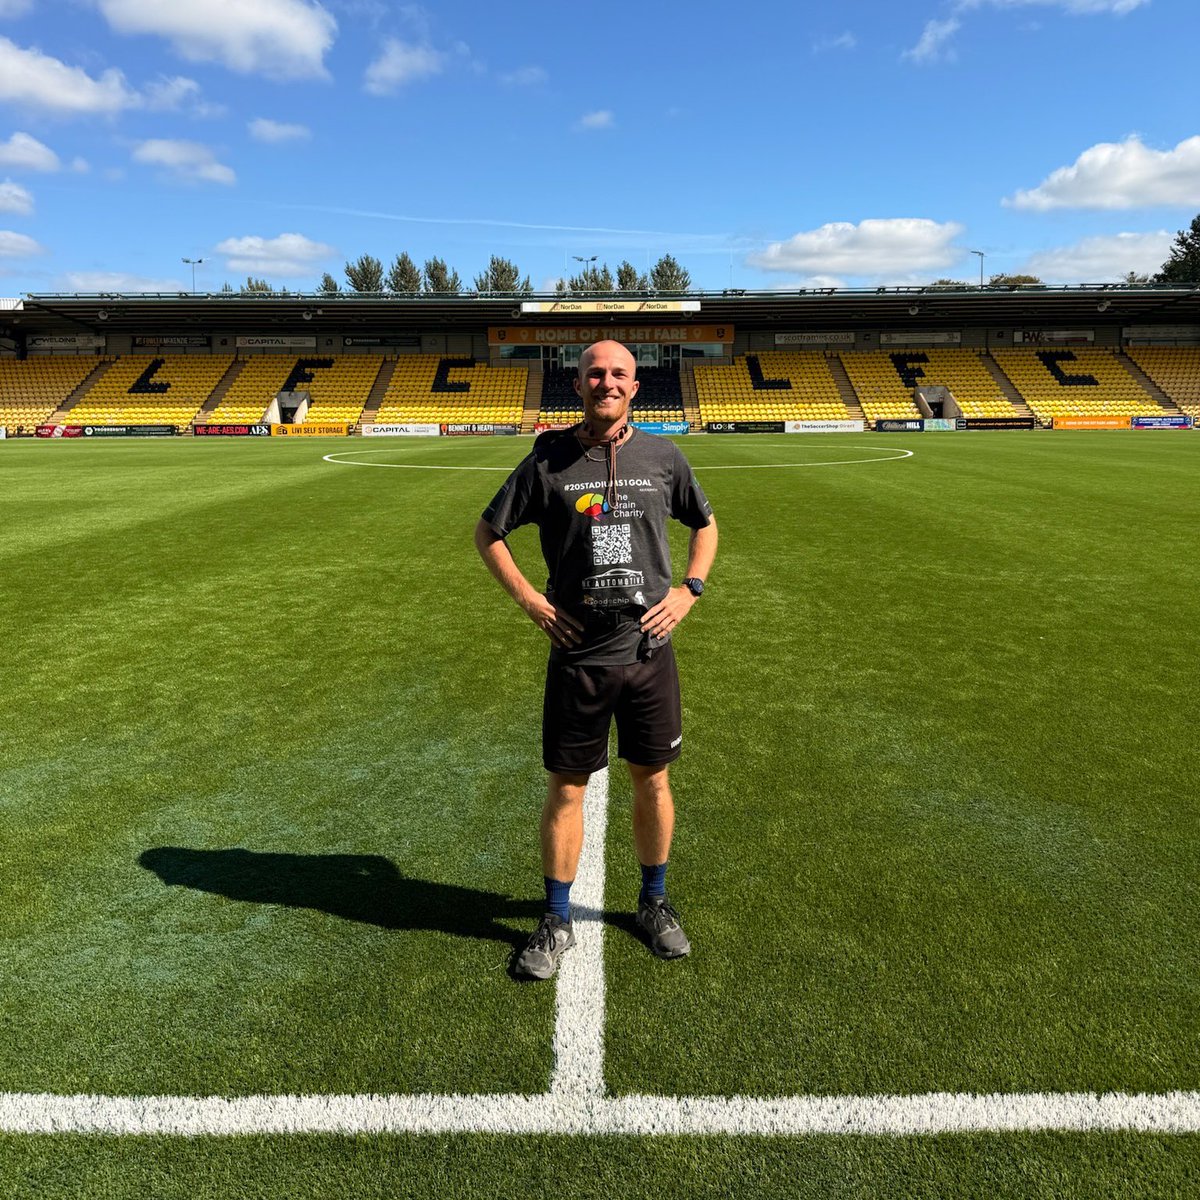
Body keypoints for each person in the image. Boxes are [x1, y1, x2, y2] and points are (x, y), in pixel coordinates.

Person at [474, 339, 718, 980]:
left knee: (654, 781)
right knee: (567, 789)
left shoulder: (664, 455)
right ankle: (556, 920)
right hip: (577, 656)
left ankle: (654, 903)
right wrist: (532, 601)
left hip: (648, 651)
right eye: (594, 373)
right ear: (576, 384)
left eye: (619, 374)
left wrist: (688, 590)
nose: (606, 382)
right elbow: (488, 532)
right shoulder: (547, 457)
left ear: (636, 386)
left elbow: (706, 524)